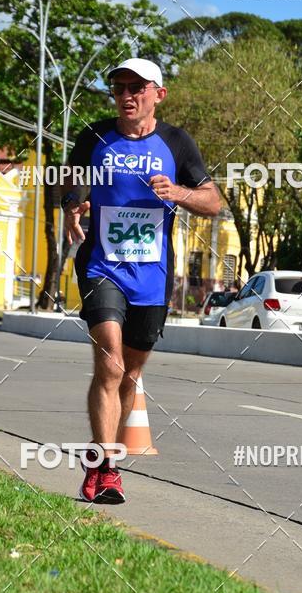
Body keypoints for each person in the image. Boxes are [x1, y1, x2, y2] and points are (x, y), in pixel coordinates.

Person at [62, 58, 220, 504]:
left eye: (137, 87)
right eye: (119, 88)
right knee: (110, 362)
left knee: (130, 374)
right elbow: (70, 182)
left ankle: (99, 456)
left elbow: (213, 202)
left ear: (158, 95)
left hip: (152, 275)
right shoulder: (95, 136)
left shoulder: (177, 142)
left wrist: (179, 193)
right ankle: (107, 469)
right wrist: (72, 205)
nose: (126, 95)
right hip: (102, 266)